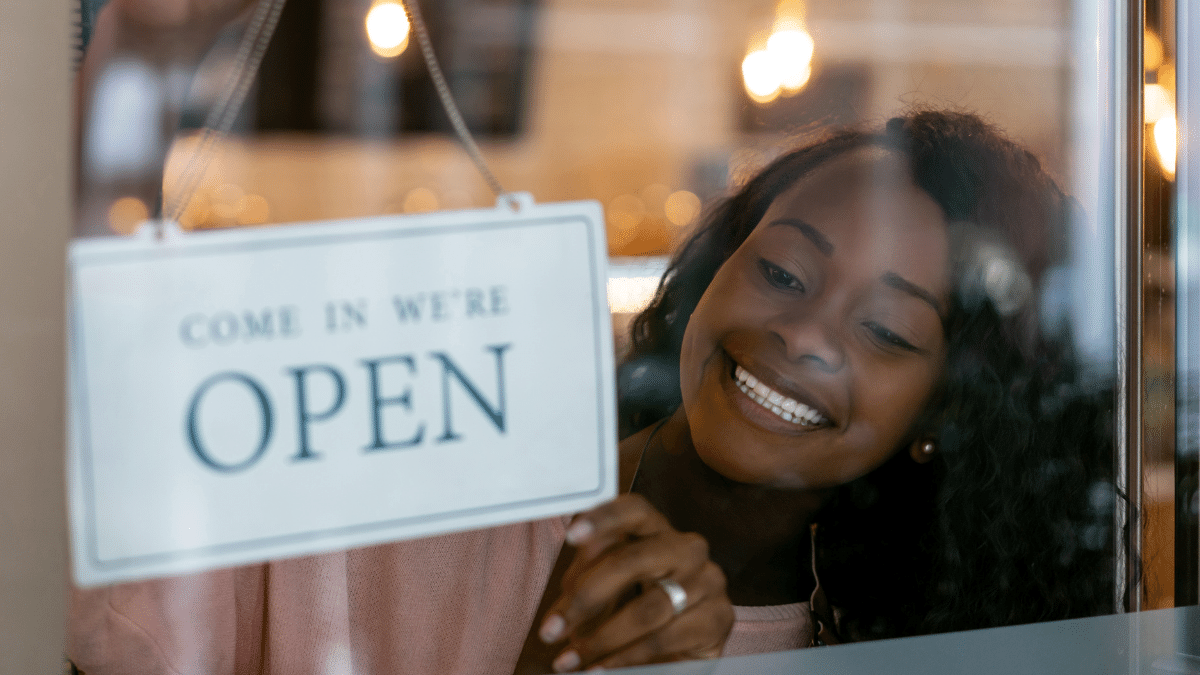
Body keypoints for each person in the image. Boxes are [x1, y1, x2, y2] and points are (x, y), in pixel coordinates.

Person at [70, 2, 1117, 673]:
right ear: (711, 278)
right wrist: (140, 61)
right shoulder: (420, 465)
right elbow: (100, 586)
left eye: (888, 330)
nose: (800, 332)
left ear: (948, 409)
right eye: (783, 270)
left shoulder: (877, 653)